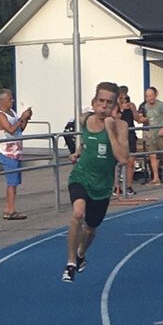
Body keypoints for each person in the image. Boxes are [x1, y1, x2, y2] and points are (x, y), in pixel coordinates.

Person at [62, 82, 130, 282]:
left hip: (102, 186)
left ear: (115, 106)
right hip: (81, 177)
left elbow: (123, 159)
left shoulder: (121, 127)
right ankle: (71, 262)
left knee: (91, 228)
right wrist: (78, 153)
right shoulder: (85, 120)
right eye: (101, 101)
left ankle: (81, 254)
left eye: (109, 103)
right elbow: (86, 143)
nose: (104, 106)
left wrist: (110, 131)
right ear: (94, 102)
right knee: (78, 213)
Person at [0, 89, 32, 220]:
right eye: (10, 99)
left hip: (16, 152)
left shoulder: (12, 113)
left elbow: (19, 129)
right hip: (8, 153)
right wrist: (21, 118)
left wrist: (24, 119)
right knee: (11, 182)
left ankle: (11, 208)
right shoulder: (0, 115)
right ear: (2, 101)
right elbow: (10, 130)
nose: (13, 101)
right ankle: (9, 210)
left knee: (14, 182)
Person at [135, 87, 163, 185]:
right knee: (153, 156)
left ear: (155, 95)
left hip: (162, 134)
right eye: (147, 96)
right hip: (152, 134)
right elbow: (148, 118)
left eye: (151, 96)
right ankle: (156, 178)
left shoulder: (161, 105)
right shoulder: (146, 106)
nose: (149, 98)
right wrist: (141, 118)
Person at [116, 87, 138, 196]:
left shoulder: (131, 106)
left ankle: (129, 186)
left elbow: (137, 118)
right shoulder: (116, 107)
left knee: (131, 162)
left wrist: (132, 108)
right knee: (118, 163)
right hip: (120, 136)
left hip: (130, 135)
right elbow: (115, 119)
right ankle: (117, 187)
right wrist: (121, 109)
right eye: (122, 97)